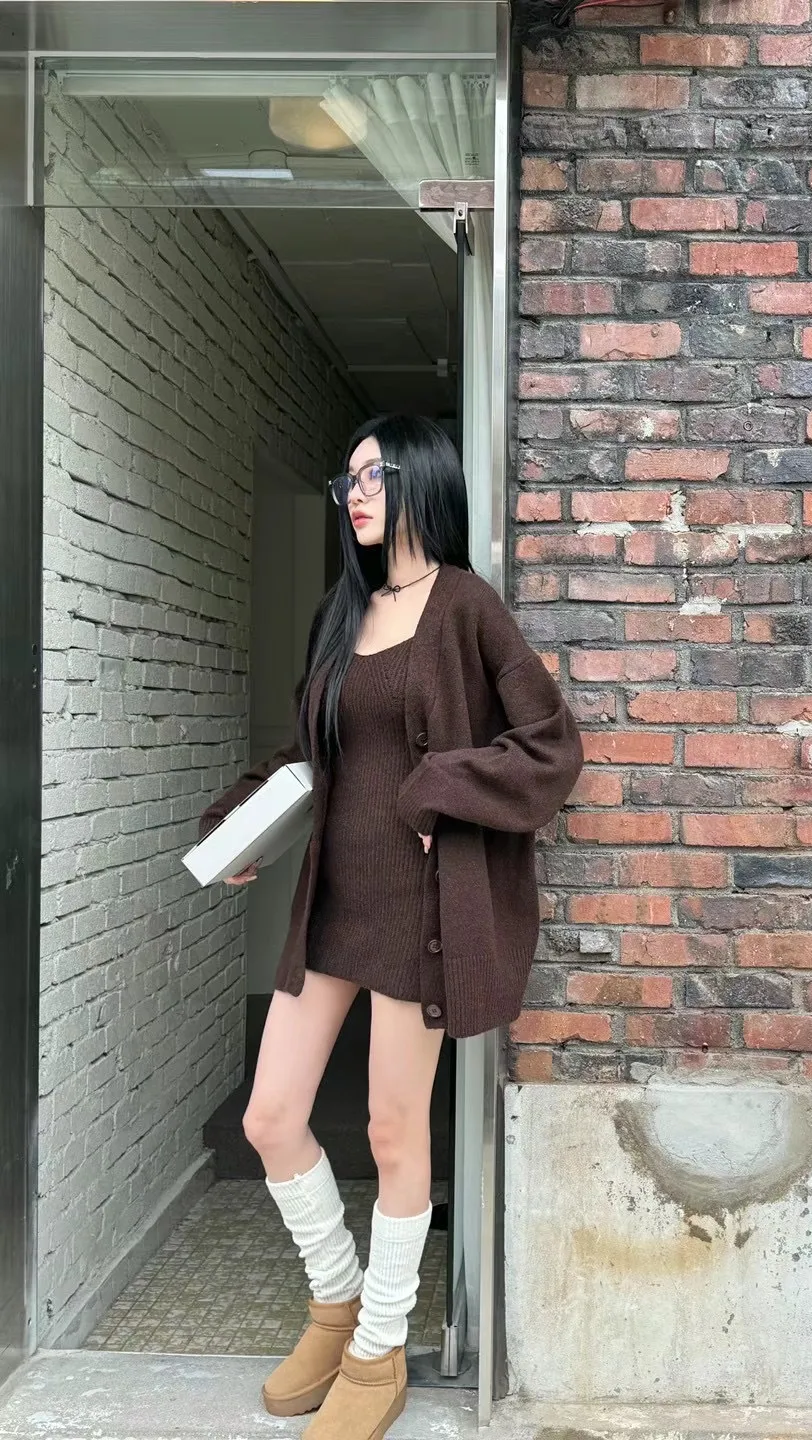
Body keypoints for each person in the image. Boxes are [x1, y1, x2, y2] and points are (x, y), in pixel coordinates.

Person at [196, 414, 583, 1440]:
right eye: (348, 480)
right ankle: (336, 1302)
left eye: (373, 475)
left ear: (425, 479)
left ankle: (379, 1348)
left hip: (422, 915)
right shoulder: (345, 610)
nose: (354, 494)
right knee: (271, 1116)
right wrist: (235, 823)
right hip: (331, 904)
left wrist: (436, 787)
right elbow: (305, 753)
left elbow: (550, 745)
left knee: (391, 1131)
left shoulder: (466, 607)